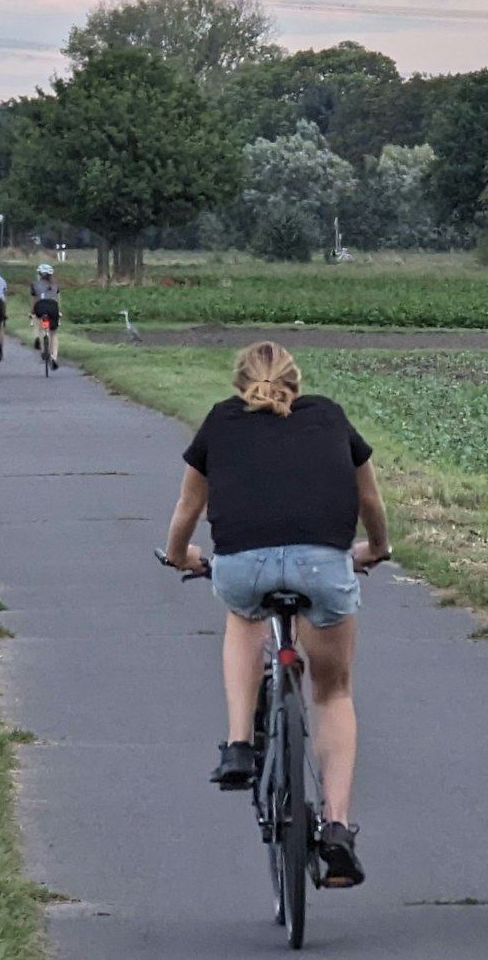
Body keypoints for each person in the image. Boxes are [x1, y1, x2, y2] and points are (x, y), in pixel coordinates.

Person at [163, 341, 391, 888]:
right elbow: (369, 503)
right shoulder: (330, 415)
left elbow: (188, 509)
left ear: (238, 383)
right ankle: (336, 827)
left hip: (243, 565)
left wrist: (179, 557)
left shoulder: (221, 421)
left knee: (243, 617)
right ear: (298, 380)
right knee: (333, 691)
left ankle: (240, 743)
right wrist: (377, 548)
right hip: (324, 565)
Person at [30, 263, 61, 370]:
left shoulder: (35, 284)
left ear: (39, 274)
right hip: (53, 307)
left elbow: (34, 300)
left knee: (40, 323)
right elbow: (58, 299)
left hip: (40, 306)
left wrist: (32, 312)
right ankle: (54, 357)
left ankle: (40, 343)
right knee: (54, 334)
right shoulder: (55, 285)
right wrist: (59, 312)